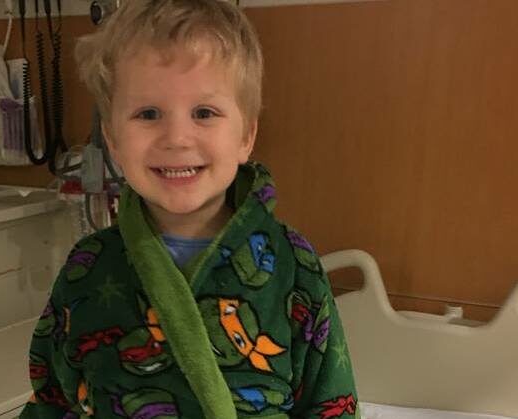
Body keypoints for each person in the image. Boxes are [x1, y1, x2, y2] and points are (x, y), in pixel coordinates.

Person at [20, 1, 358, 418]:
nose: (177, 137)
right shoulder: (88, 269)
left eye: (204, 112)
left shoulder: (293, 266)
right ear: (112, 139)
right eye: (148, 113)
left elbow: (332, 405)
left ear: (245, 136)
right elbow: (52, 401)